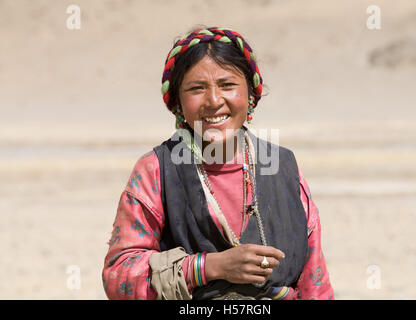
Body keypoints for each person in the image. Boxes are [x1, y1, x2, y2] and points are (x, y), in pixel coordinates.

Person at [102, 27, 334, 300]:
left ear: (250, 95)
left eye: (227, 85)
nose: (214, 101)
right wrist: (209, 267)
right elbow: (118, 278)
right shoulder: (157, 170)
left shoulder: (284, 168)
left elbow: (315, 285)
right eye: (197, 88)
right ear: (178, 102)